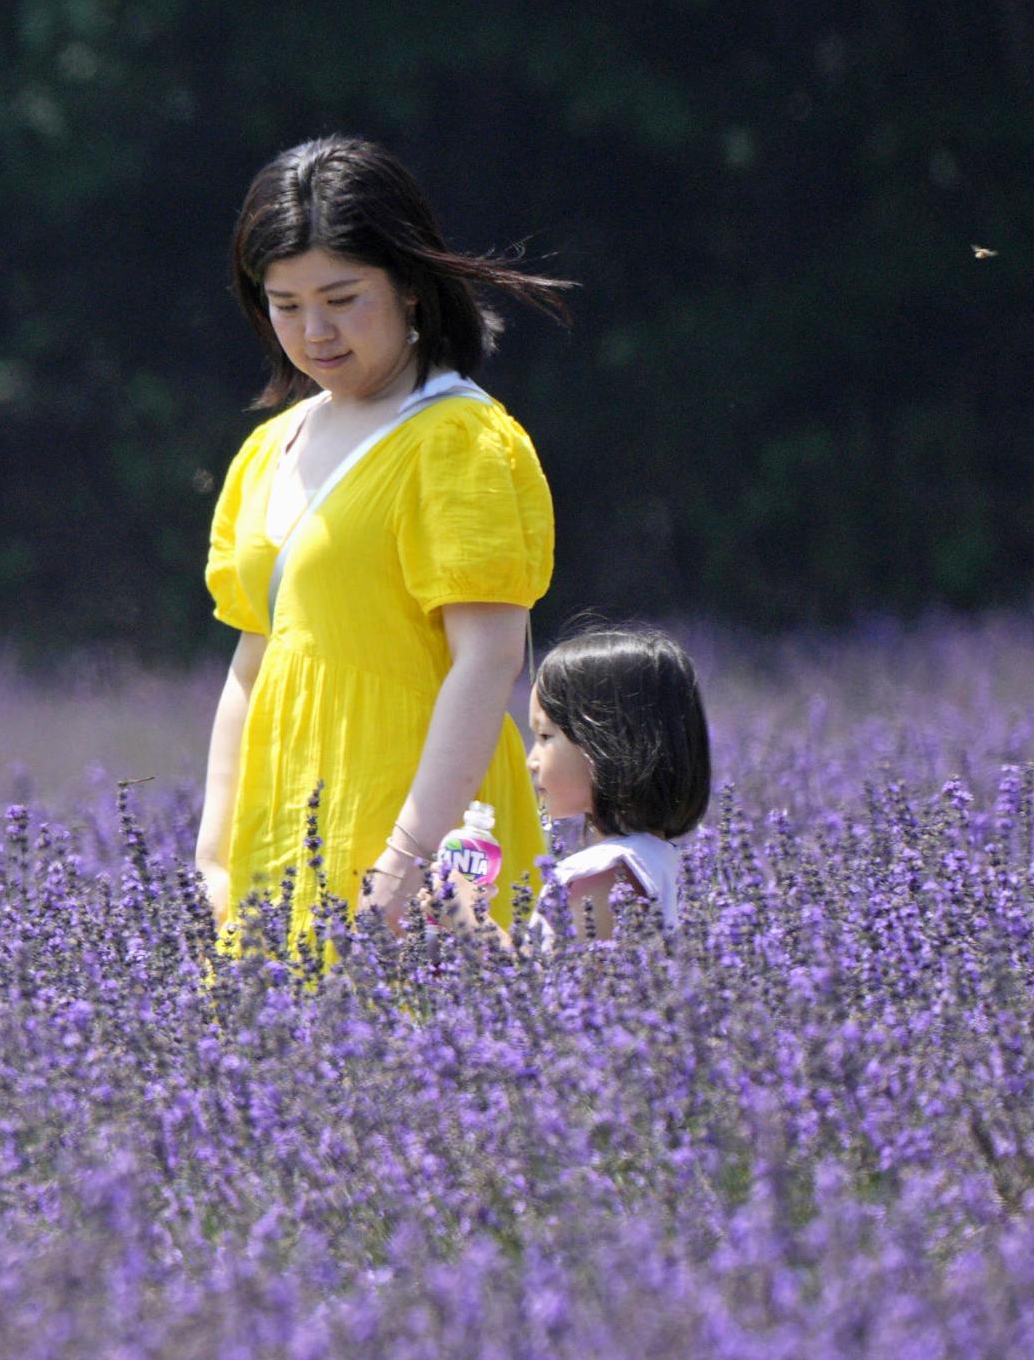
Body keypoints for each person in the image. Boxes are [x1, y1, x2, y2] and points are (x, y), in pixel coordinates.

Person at [197, 136, 571, 948]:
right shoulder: (269, 450)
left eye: (341, 297)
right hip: (285, 829)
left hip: (427, 833)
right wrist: (214, 855)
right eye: (285, 304)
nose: (314, 331)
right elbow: (249, 665)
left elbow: (488, 659)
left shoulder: (460, 440)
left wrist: (408, 858)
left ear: (409, 288)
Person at [522, 622, 711, 927]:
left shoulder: (603, 876)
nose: (531, 760)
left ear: (604, 745)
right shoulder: (665, 863)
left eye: (545, 737)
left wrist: (466, 916)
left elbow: (554, 973)